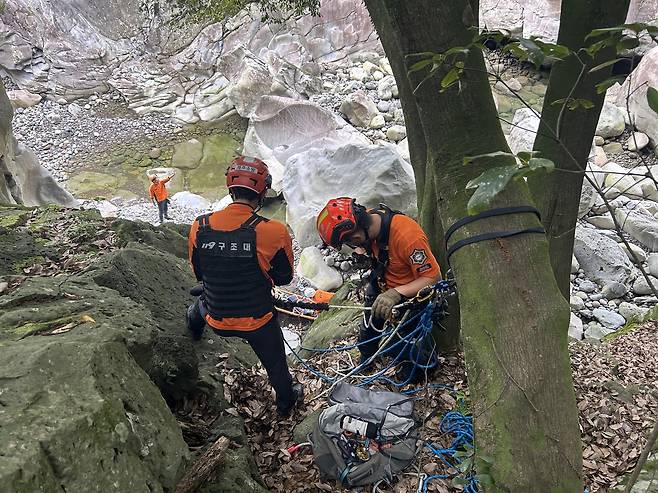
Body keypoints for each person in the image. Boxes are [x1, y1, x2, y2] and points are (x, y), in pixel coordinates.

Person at [186, 156, 303, 416]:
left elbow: (199, 272)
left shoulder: (200, 225)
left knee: (198, 306)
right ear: (262, 192)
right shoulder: (274, 231)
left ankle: (193, 329)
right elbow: (283, 278)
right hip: (257, 322)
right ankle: (286, 402)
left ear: (230, 189)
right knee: (276, 365)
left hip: (214, 315)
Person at [316, 197, 442, 382]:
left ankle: (422, 367)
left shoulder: (407, 235)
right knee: (369, 325)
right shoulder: (371, 220)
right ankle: (367, 356)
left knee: (396, 346)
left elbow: (433, 278)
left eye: (351, 243)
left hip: (410, 297)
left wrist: (396, 293)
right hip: (383, 281)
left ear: (356, 237)